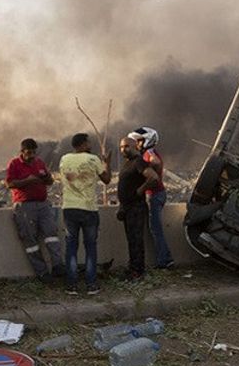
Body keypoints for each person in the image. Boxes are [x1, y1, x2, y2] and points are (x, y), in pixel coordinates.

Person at [59, 132, 111, 295]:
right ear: (82, 144)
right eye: (88, 143)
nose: (90, 145)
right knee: (90, 248)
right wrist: (106, 163)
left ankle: (71, 285)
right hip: (88, 209)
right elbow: (107, 179)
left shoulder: (64, 159)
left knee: (71, 248)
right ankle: (91, 285)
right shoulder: (93, 159)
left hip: (69, 209)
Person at [5, 138, 64, 280]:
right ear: (22, 151)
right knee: (30, 239)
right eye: (28, 153)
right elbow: (9, 184)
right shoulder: (14, 164)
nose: (31, 155)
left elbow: (49, 181)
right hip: (25, 206)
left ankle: (58, 266)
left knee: (51, 233)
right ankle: (42, 272)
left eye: (33, 152)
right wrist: (28, 181)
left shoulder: (39, 163)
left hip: (43, 204)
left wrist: (47, 178)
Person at [116, 134, 160, 281]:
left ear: (135, 146)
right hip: (127, 208)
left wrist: (139, 191)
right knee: (131, 240)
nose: (123, 149)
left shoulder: (138, 162)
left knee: (136, 240)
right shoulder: (128, 163)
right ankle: (132, 269)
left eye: (127, 146)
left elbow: (153, 177)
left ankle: (138, 272)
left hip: (136, 207)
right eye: (121, 147)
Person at [129, 126, 174, 269]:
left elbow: (156, 163)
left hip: (154, 195)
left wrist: (145, 165)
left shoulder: (149, 152)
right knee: (154, 229)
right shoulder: (148, 152)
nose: (137, 144)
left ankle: (165, 260)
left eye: (140, 141)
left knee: (156, 229)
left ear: (148, 140)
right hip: (155, 195)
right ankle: (165, 259)